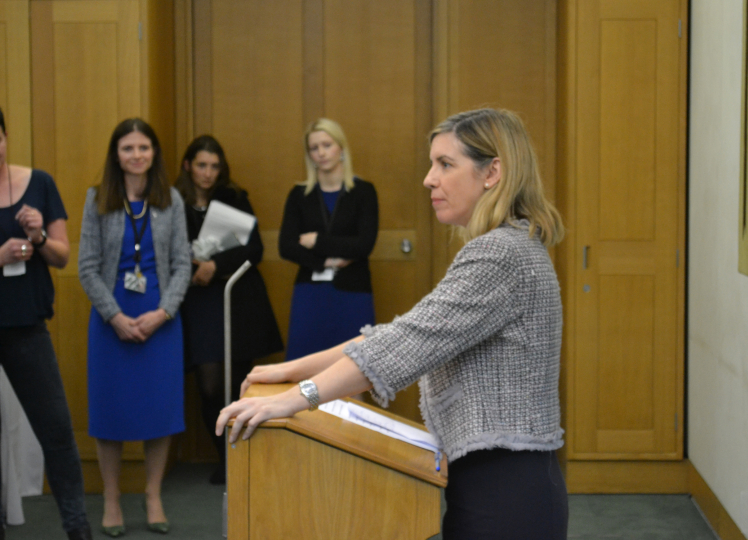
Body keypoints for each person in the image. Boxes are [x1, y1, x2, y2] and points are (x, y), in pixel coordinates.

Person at [217, 108, 569, 539]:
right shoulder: (509, 246)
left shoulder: (500, 254)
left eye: (445, 164)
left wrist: (294, 399)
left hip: (506, 489)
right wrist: (290, 370)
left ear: (492, 172)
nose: (428, 179)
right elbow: (399, 334)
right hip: (499, 479)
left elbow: (404, 346)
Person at [78, 118, 190, 537]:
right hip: (112, 323)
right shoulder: (97, 199)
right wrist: (114, 316)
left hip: (160, 321)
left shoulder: (171, 200)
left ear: (154, 152)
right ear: (116, 154)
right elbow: (87, 267)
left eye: (144, 147)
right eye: (128, 148)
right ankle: (111, 499)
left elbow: (182, 264)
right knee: (110, 413)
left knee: (159, 411)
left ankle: (152, 494)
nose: (137, 155)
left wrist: (163, 312)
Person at [0, 109, 93, 540]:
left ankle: (77, 527)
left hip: (27, 327)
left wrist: (38, 237)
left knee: (56, 431)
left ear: (6, 136)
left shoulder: (39, 183)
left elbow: (61, 256)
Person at [175, 135, 283, 485]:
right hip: (197, 300)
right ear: (188, 166)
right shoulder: (174, 201)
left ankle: (242, 459)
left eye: (214, 166)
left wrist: (215, 265)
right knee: (209, 385)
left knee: (239, 381)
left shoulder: (234, 197)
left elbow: (255, 248)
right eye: (201, 165)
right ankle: (225, 456)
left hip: (236, 297)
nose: (208, 173)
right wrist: (194, 269)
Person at [278, 118, 378, 360]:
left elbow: (364, 245)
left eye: (327, 145)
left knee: (354, 366)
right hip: (310, 294)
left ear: (341, 148)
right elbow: (286, 246)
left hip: (353, 293)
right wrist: (327, 261)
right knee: (305, 366)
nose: (321, 153)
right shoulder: (299, 194)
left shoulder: (363, 191)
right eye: (314, 148)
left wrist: (317, 241)